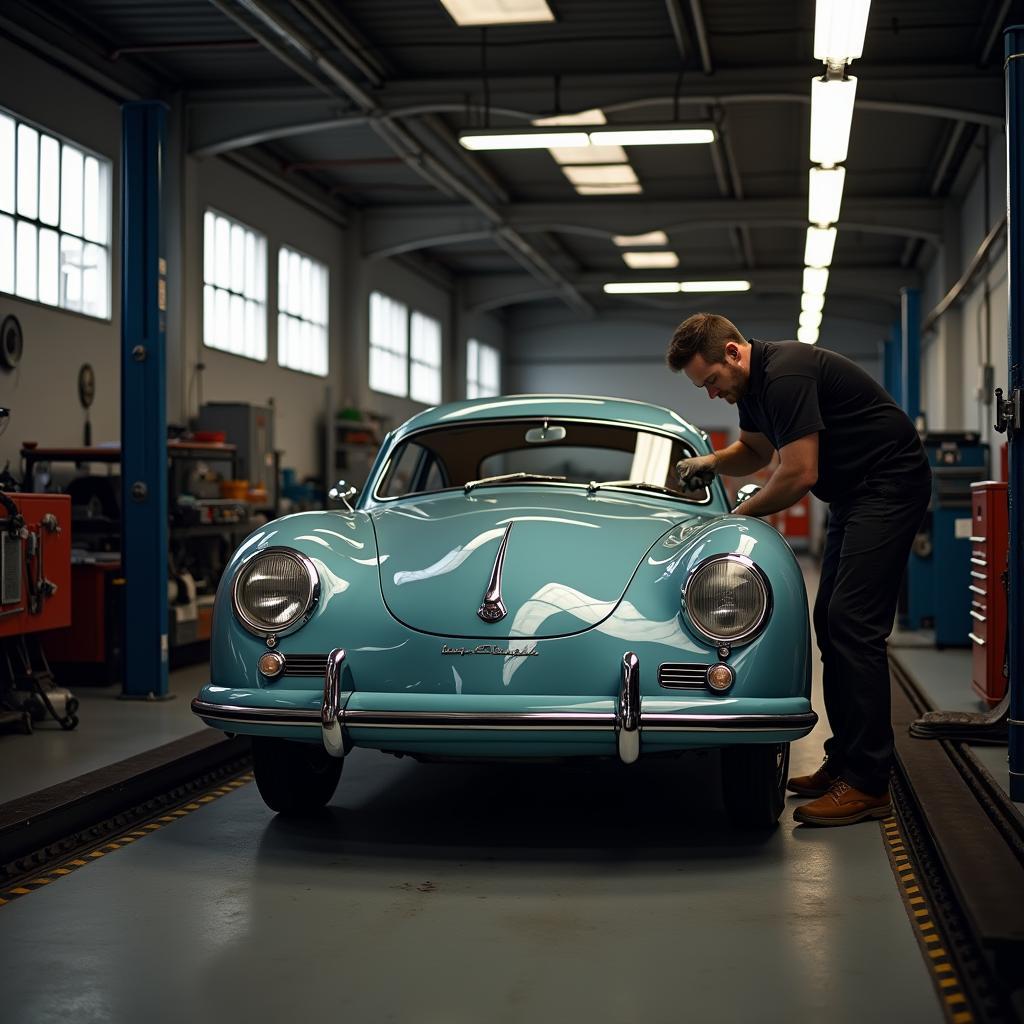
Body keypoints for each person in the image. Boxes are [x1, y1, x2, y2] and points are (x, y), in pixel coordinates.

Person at [666, 312, 931, 827]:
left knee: (854, 625)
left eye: (712, 381)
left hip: (890, 484)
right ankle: (845, 760)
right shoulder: (752, 387)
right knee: (830, 622)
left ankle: (869, 782)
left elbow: (798, 474)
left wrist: (733, 518)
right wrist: (713, 463)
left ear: (733, 353)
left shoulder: (785, 373)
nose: (711, 394)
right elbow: (756, 452)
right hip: (854, 495)